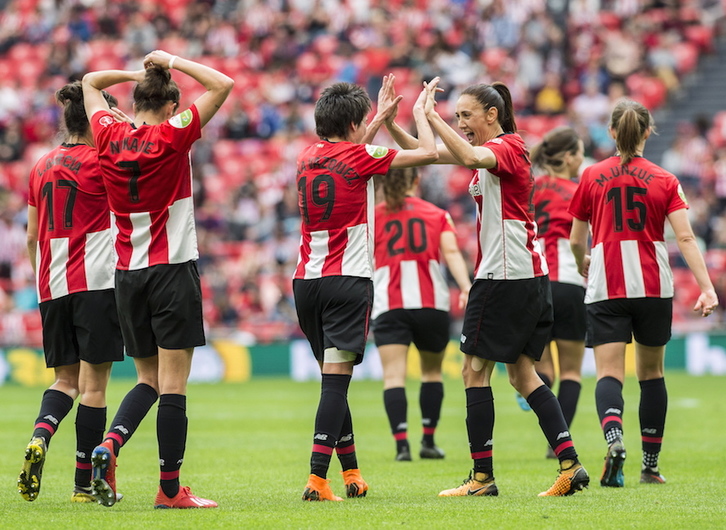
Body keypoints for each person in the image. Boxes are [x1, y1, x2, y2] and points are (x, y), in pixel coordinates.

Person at [384, 79, 590, 497]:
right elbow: (427, 153)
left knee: (473, 371)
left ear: (491, 115)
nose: (461, 122)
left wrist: (433, 117)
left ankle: (482, 478)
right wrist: (393, 122)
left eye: (465, 115)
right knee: (521, 374)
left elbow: (466, 153)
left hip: (504, 276)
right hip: (523, 275)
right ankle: (570, 465)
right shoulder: (494, 150)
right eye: (457, 115)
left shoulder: (508, 147)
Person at [81, 49, 233, 508]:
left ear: (131, 104)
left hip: (127, 274)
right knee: (173, 385)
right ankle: (169, 489)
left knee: (146, 378)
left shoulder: (107, 132)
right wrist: (171, 59)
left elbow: (89, 81)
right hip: (172, 270)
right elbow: (222, 84)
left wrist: (135, 73)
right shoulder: (174, 132)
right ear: (171, 107)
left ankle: (109, 444)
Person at [294, 75, 439, 501]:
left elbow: (351, 153)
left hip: (307, 284)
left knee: (332, 378)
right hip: (347, 283)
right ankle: (317, 479)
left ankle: (352, 473)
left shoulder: (305, 157)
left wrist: (374, 119)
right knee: (336, 384)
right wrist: (419, 116)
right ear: (354, 124)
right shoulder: (361, 155)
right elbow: (427, 153)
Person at [569, 98, 718, 487]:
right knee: (651, 375)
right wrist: (706, 288)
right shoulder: (666, 179)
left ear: (612, 132)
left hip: (607, 285)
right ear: (648, 132)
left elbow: (574, 239)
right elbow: (685, 236)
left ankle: (614, 439)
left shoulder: (590, 176)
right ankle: (650, 467)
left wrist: (583, 260)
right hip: (653, 286)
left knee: (609, 374)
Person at [18, 81, 124, 503]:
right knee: (94, 387)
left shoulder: (40, 165)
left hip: (51, 284)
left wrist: (44, 281)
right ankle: (83, 485)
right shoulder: (106, 161)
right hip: (95, 283)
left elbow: (30, 236)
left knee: (65, 380)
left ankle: (40, 437)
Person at [371, 167, 471, 462]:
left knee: (393, 376)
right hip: (431, 303)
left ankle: (402, 445)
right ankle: (428, 440)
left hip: (389, 303)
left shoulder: (372, 216)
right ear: (416, 181)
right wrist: (465, 286)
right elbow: (451, 253)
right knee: (431, 372)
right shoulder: (436, 214)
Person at [529, 126, 587, 459]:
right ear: (568, 157)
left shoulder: (530, 189)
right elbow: (581, 240)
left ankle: (540, 394)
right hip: (569, 281)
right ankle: (558, 443)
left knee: (540, 369)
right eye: (579, 152)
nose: (581, 159)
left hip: (535, 282)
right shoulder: (579, 191)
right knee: (572, 371)